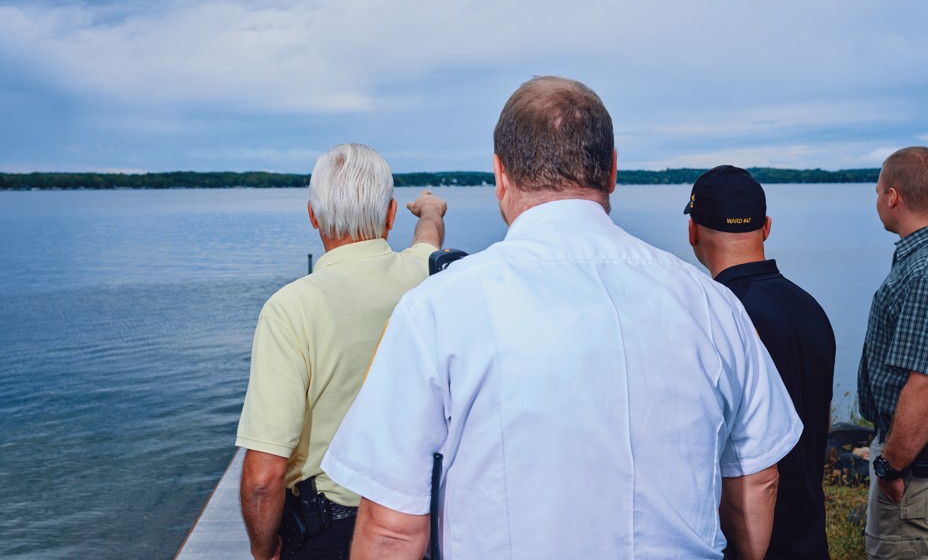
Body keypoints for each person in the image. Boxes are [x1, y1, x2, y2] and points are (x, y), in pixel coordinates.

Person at [322, 76, 801, 560]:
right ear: (612, 171)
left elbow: (392, 531)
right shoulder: (711, 303)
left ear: (500, 175)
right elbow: (757, 476)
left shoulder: (438, 308)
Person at [236, 143, 448, 560]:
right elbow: (429, 242)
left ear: (312, 215)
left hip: (324, 534)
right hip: (413, 525)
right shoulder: (423, 277)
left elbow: (263, 478)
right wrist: (430, 210)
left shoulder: (290, 308)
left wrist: (265, 552)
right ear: (390, 215)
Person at [685, 165, 836, 560]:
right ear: (767, 227)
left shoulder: (713, 317)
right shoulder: (811, 308)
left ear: (693, 232)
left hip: (751, 542)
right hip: (808, 537)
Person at [857, 145, 928, 559]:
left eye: (877, 190)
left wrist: (891, 467)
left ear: (893, 197)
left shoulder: (922, 272)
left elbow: (922, 384)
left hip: (913, 478)